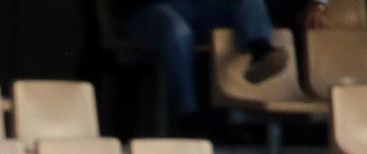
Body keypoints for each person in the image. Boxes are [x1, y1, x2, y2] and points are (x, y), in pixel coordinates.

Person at [114, 0, 292, 133]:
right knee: (177, 32)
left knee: (249, 2)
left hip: (196, 6)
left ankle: (260, 51)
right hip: (147, 10)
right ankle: (187, 118)